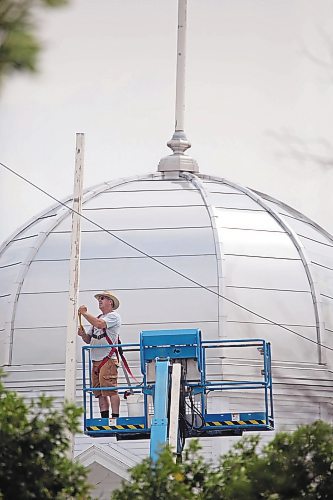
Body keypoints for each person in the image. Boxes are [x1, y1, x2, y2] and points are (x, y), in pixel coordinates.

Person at [78, 291, 121, 420]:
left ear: (110, 302)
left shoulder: (113, 316)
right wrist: (83, 335)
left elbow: (100, 324)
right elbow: (88, 340)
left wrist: (84, 313)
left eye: (103, 298)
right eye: (99, 299)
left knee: (110, 389)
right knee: (100, 392)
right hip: (96, 360)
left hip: (107, 359)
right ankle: (104, 418)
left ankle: (115, 418)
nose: (100, 300)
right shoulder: (98, 317)